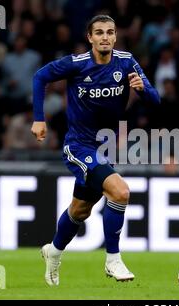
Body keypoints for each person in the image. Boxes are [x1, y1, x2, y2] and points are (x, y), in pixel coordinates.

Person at [31, 15, 160, 286]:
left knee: (80, 211)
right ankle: (113, 259)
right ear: (90, 37)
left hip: (104, 149)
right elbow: (40, 76)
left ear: (115, 36)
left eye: (110, 32)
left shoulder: (126, 62)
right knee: (120, 191)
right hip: (77, 146)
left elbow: (155, 99)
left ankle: (53, 252)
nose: (105, 37)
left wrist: (143, 90)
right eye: (99, 32)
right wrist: (39, 118)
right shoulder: (77, 64)